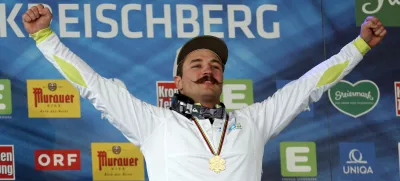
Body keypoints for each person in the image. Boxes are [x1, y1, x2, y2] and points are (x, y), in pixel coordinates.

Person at [23, 4, 386, 181]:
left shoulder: (253, 120)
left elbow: (310, 86)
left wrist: (359, 47)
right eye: (195, 64)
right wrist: (44, 37)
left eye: (215, 64)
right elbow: (92, 86)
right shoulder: (154, 123)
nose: (207, 68)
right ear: (177, 81)